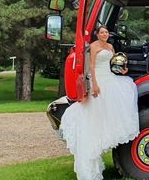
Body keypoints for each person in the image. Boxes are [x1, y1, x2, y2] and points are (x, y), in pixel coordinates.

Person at [59, 25, 140, 180]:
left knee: (127, 88)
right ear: (97, 34)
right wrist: (94, 84)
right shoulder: (94, 47)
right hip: (99, 79)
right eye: (102, 32)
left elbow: (114, 63)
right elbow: (91, 67)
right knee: (97, 110)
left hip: (110, 76)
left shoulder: (110, 46)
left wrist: (122, 70)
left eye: (106, 32)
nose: (104, 34)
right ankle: (96, 140)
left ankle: (108, 131)